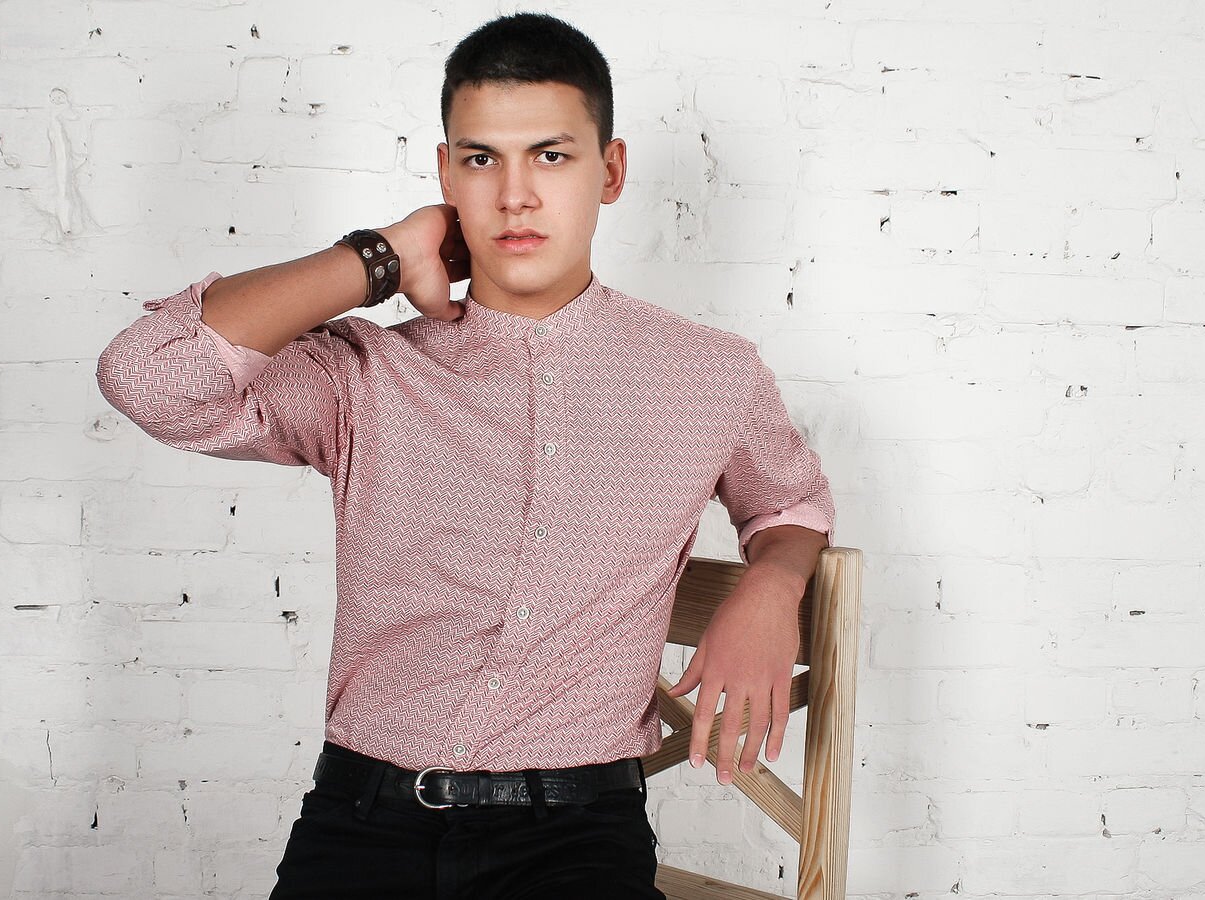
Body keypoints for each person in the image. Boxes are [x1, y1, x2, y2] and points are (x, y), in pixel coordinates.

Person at [96, 11, 836, 899]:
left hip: (578, 837)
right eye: (483, 160)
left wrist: (772, 586)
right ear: (446, 175)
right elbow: (149, 376)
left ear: (610, 171)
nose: (515, 196)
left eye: (551, 156)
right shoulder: (363, 375)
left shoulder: (710, 373)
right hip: (363, 820)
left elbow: (788, 505)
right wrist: (378, 257)